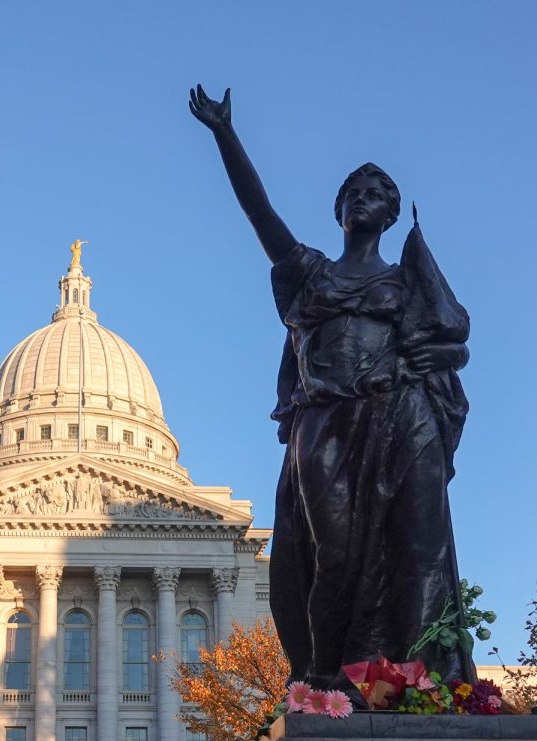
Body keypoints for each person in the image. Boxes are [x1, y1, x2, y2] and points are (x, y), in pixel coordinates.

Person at [189, 84, 473, 692]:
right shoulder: (309, 272)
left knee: (419, 550)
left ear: (390, 215)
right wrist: (225, 135)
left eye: (377, 195)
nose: (365, 200)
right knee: (332, 556)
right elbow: (258, 212)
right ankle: (328, 681)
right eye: (355, 193)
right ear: (339, 208)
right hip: (328, 421)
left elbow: (451, 341)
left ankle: (421, 681)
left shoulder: (405, 282)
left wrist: (429, 359)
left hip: (404, 416)